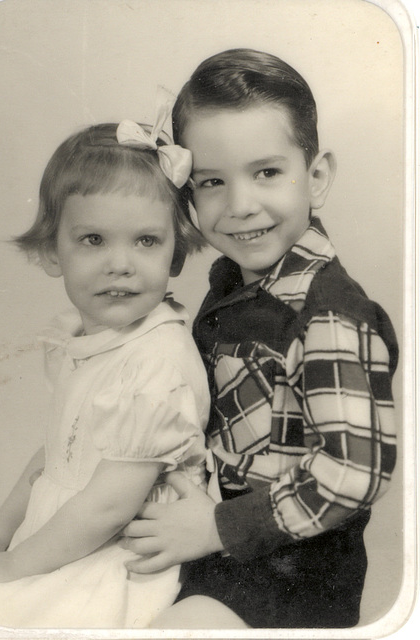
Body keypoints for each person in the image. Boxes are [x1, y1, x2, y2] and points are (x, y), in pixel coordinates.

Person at [121, 49, 399, 629]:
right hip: (213, 552)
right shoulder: (232, 287)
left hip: (290, 581)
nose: (240, 205)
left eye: (266, 172)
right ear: (189, 197)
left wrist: (218, 527)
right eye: (213, 182)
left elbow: (354, 473)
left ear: (315, 177)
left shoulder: (329, 315)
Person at [0, 114, 210, 628]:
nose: (120, 264)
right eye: (94, 240)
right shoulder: (82, 339)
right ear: (54, 251)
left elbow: (108, 510)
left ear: (176, 253)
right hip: (60, 539)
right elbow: (54, 457)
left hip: (117, 559)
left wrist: (9, 567)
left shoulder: (155, 363)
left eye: (145, 241)